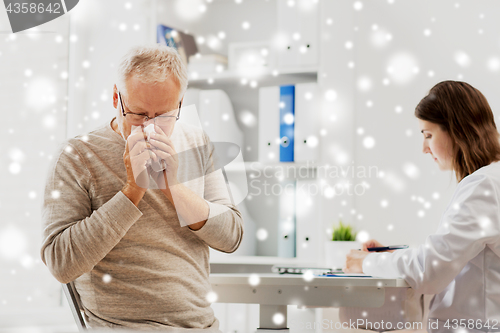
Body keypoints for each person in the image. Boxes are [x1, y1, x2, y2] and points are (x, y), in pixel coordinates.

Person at [40, 44, 244, 331]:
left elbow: (232, 236)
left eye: (163, 116)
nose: (150, 128)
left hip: (201, 326)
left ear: (180, 103)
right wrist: (132, 191)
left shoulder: (198, 142)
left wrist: (171, 186)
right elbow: (61, 263)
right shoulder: (77, 155)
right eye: (137, 114)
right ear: (116, 98)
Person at [345, 80, 500, 332]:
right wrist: (393, 258)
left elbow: (430, 270)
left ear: (458, 130)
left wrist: (364, 263)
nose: (424, 148)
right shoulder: (491, 180)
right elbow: (450, 256)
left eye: (428, 135)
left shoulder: (483, 185)